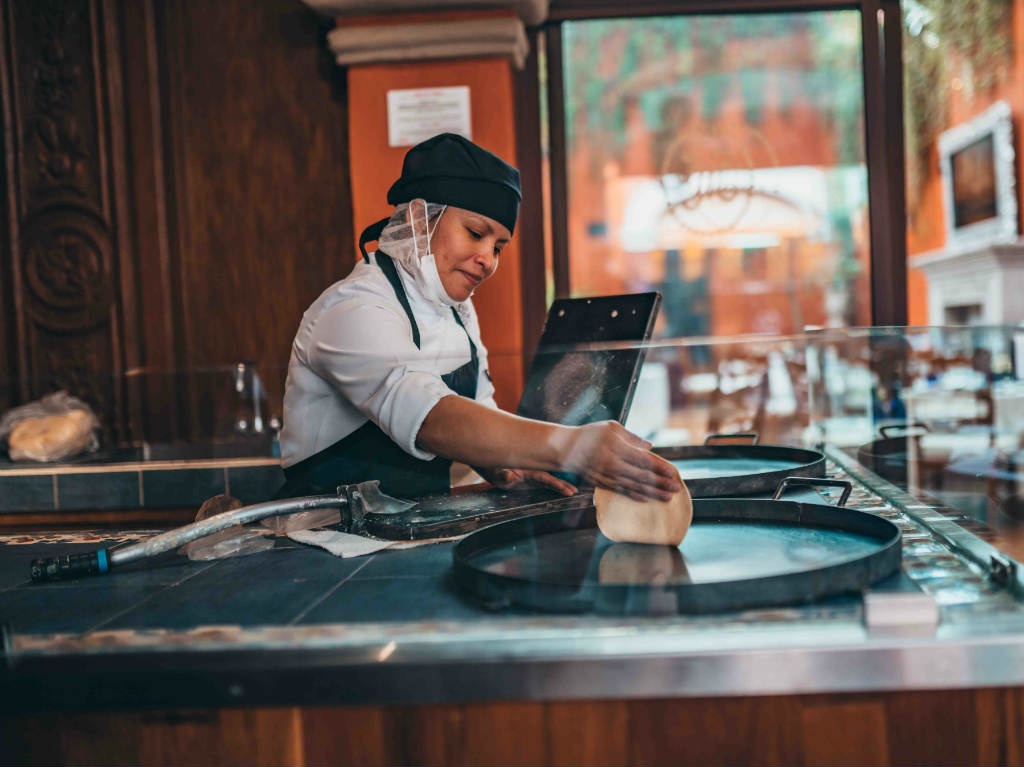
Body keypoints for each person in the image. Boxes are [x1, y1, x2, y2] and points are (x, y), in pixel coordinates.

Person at [278, 133, 679, 501]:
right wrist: (573, 446)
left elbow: (480, 411)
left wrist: (504, 462)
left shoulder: (458, 312)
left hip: (408, 525)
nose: (488, 260)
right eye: (475, 233)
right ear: (420, 220)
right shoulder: (352, 309)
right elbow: (429, 417)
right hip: (327, 539)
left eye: (499, 247)